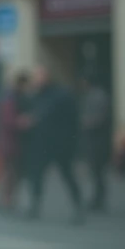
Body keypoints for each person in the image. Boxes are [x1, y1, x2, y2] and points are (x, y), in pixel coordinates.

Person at [21, 67, 84, 224]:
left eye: (39, 76)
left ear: (48, 77)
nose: (36, 80)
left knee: (67, 175)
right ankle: (35, 206)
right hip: (41, 144)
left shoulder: (61, 94)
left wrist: (72, 142)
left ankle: (78, 206)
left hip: (60, 144)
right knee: (37, 175)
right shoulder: (36, 96)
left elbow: (71, 119)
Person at [0, 71, 31, 213]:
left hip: (13, 143)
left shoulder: (13, 97)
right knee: (10, 174)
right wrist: (21, 122)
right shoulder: (10, 98)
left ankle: (7, 201)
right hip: (10, 144)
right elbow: (8, 121)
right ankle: (6, 201)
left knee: (12, 174)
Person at [77, 74, 111, 213]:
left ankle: (99, 198)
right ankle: (98, 198)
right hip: (94, 138)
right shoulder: (93, 95)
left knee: (97, 170)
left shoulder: (98, 96)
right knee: (95, 170)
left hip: (98, 139)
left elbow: (99, 118)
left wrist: (85, 122)